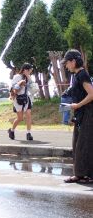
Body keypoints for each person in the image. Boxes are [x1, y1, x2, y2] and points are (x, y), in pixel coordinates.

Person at [60, 49, 93, 183]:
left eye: (67, 63)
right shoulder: (77, 75)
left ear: (73, 61)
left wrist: (77, 105)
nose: (66, 66)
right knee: (78, 143)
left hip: (88, 114)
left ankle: (85, 175)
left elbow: (92, 94)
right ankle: (81, 174)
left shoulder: (82, 74)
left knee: (84, 144)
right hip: (81, 114)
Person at [8, 63, 34, 141]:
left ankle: (28, 133)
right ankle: (11, 131)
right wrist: (20, 84)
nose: (30, 72)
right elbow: (12, 88)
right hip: (18, 99)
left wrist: (28, 76)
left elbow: (32, 86)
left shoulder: (28, 77)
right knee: (20, 118)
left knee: (29, 114)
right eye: (29, 71)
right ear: (25, 70)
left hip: (26, 98)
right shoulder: (17, 76)